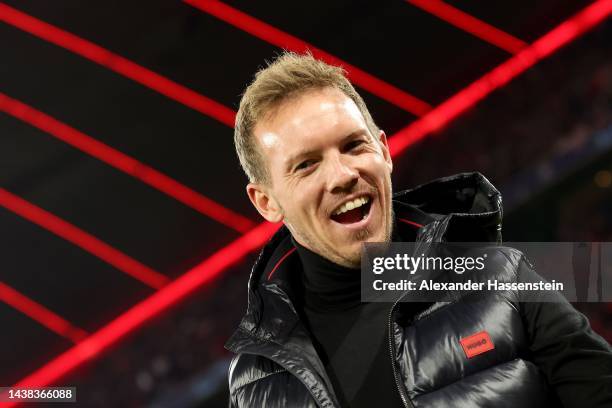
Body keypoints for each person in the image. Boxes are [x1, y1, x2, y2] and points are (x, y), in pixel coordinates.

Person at [225, 52, 612, 408]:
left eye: (353, 146)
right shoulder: (256, 379)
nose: (343, 175)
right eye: (306, 165)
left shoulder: (500, 278)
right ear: (266, 202)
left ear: (384, 151)